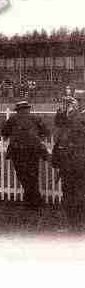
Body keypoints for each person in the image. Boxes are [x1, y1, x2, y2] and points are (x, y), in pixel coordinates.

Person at [1, 101, 49, 208]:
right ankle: (34, 200)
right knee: (33, 175)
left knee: (23, 175)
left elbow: (4, 132)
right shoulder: (36, 118)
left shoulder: (13, 119)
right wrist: (37, 138)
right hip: (33, 150)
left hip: (18, 151)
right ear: (28, 108)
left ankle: (32, 200)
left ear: (18, 110)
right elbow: (46, 131)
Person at [52, 97, 85, 233]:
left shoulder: (79, 119)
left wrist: (72, 112)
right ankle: (74, 223)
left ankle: (76, 223)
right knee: (71, 193)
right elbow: (59, 123)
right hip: (69, 164)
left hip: (76, 163)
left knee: (76, 193)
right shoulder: (71, 119)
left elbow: (70, 124)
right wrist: (63, 110)